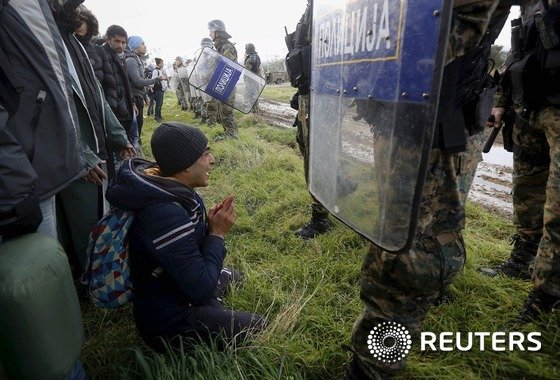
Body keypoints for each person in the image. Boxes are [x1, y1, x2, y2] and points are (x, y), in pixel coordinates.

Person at [344, 2, 512, 378]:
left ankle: (374, 367)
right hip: (401, 117)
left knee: (410, 259)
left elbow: (439, 34)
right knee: (402, 235)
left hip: (434, 126)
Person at [105, 122, 267, 350]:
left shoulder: (169, 190)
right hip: (168, 319)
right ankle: (206, 315)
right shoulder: (165, 213)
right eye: (205, 154)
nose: (212, 160)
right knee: (258, 325)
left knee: (233, 276)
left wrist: (208, 228)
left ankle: (214, 309)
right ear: (184, 166)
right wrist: (216, 235)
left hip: (176, 287)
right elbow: (200, 290)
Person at [479, 0, 560, 324]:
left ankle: (546, 296)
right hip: (529, 108)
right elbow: (518, 53)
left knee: (557, 212)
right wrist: (501, 102)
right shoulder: (528, 5)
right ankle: (522, 259)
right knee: (525, 192)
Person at [50, 0, 136, 273]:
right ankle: (91, 277)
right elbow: (54, 108)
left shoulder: (76, 48)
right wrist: (81, 154)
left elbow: (96, 97)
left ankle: (103, 269)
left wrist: (119, 136)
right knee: (83, 220)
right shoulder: (50, 46)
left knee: (101, 211)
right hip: (73, 155)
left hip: (97, 147)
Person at [287, 1, 334, 239]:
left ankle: (321, 219)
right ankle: (334, 192)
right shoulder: (311, 10)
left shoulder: (326, 7)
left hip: (323, 93)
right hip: (311, 92)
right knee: (309, 148)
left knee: (317, 156)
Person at [125, 35, 164, 141]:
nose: (144, 46)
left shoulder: (137, 59)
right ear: (135, 45)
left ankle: (137, 144)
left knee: (139, 123)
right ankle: (135, 147)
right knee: (136, 124)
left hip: (139, 96)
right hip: (134, 97)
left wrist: (145, 95)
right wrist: (156, 80)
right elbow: (137, 81)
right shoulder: (131, 61)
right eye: (142, 44)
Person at [102, 25, 135, 142]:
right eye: (117, 41)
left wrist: (132, 103)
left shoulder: (120, 57)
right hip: (113, 112)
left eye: (123, 42)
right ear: (108, 40)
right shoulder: (102, 55)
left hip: (124, 109)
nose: (120, 45)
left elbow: (125, 84)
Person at [208, 19, 238, 139]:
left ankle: (232, 136)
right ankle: (229, 133)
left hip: (227, 84)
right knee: (223, 112)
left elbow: (229, 66)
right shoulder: (219, 47)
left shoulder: (227, 47)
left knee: (227, 112)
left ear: (217, 32)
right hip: (222, 84)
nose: (209, 34)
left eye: (211, 31)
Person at [243, 43, 262, 113]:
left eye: (246, 48)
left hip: (251, 80)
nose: (245, 50)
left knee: (250, 96)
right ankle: (256, 111)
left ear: (248, 49)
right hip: (255, 79)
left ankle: (254, 113)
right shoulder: (257, 56)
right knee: (254, 96)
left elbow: (248, 70)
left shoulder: (251, 58)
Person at [151, 58, 168, 123]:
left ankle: (159, 116)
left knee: (160, 104)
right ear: (160, 63)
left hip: (161, 89)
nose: (163, 64)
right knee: (158, 104)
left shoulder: (161, 70)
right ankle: (157, 117)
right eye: (162, 63)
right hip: (158, 89)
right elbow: (154, 80)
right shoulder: (156, 71)